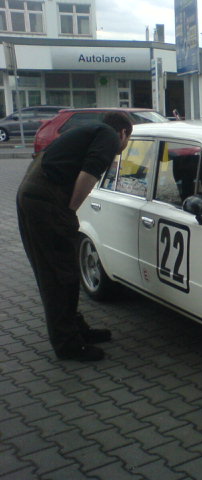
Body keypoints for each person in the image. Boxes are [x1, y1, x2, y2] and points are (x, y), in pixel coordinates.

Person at [16, 112, 133, 361]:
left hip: (34, 195)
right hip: (45, 201)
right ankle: (68, 344)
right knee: (59, 276)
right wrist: (70, 211)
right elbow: (88, 175)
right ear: (123, 133)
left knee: (63, 272)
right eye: (127, 141)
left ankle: (76, 330)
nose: (122, 147)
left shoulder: (88, 132)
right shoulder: (109, 136)